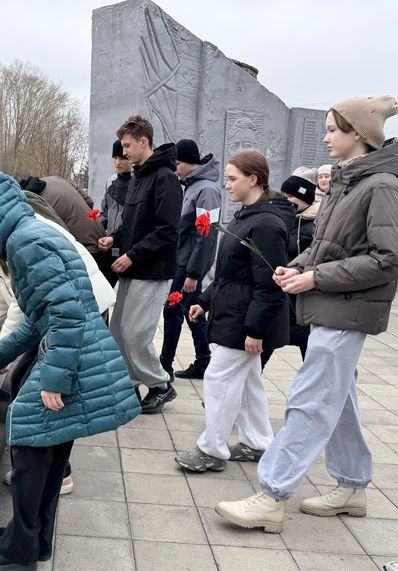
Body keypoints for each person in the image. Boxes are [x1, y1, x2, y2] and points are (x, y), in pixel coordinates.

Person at [215, 96, 398, 534]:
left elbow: (388, 259)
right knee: (340, 398)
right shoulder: (349, 180)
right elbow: (324, 247)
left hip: (347, 310)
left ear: (359, 133)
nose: (326, 137)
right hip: (334, 306)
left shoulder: (380, 185)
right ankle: (352, 485)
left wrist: (316, 278)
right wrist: (297, 267)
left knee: (310, 399)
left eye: (333, 129)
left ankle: (272, 494)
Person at [0, 170, 140, 569]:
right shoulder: (28, 234)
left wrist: (55, 378)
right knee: (50, 450)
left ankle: (19, 551)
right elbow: (39, 316)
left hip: (72, 352)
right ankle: (34, 538)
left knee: (29, 439)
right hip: (76, 347)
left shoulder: (25, 243)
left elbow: (66, 313)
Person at [0, 174, 117, 498]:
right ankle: (40, 475)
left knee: (48, 394)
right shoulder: (2, 233)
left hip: (79, 315)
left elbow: (25, 307)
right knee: (31, 388)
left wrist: (3, 355)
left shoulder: (23, 236)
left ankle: (53, 477)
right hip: (61, 317)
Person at [174, 150, 294, 472]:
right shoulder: (247, 216)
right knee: (249, 381)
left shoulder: (266, 224)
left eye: (232, 179)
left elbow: (269, 284)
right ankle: (258, 442)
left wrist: (256, 330)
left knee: (219, 378)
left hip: (246, 320)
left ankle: (211, 450)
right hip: (238, 312)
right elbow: (230, 273)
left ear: (253, 179)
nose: (226, 185)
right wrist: (205, 301)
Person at [98, 115, 182, 414]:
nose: (124, 152)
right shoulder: (139, 177)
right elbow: (132, 223)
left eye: (127, 146)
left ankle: (160, 385)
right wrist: (115, 237)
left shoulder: (165, 178)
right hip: (132, 267)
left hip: (152, 270)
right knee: (119, 332)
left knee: (136, 334)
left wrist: (132, 255)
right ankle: (129, 385)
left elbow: (167, 231)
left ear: (143, 142)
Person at [160, 139, 222, 381]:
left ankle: (164, 366)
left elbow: (206, 235)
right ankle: (204, 361)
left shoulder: (207, 190)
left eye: (177, 164)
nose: (175, 169)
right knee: (193, 312)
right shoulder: (193, 186)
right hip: (184, 262)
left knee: (171, 311)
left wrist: (194, 274)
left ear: (189, 163)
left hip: (188, 267)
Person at [259, 167, 319, 370]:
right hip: (280, 300)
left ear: (305, 197)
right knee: (258, 357)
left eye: (292, 196)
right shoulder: (284, 220)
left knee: (313, 366)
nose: (287, 199)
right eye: (284, 194)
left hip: (303, 305)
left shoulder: (315, 226)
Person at [99, 140, 132, 286]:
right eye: (115, 158)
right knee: (105, 286)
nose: (118, 162)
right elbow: (105, 211)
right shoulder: (110, 181)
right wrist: (98, 227)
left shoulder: (138, 182)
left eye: (122, 158)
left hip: (129, 246)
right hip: (109, 245)